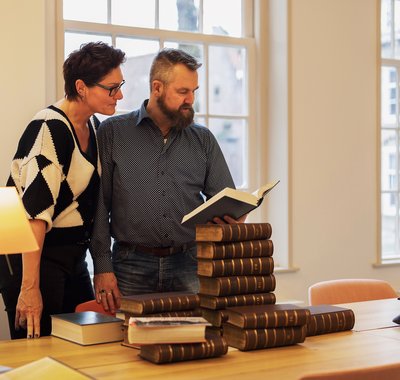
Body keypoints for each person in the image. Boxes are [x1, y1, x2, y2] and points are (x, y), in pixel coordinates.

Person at [90, 48, 246, 313]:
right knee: (128, 346)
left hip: (190, 264)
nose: (191, 100)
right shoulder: (113, 133)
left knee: (193, 345)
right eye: (183, 91)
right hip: (130, 265)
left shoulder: (203, 140)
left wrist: (235, 216)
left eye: (194, 91)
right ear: (157, 87)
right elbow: (98, 207)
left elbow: (226, 199)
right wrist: (102, 268)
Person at [0, 42, 126, 339]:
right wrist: (29, 288)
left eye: (120, 85)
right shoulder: (49, 129)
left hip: (71, 258)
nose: (119, 95)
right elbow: (35, 215)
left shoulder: (92, 126)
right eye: (111, 88)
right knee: (39, 354)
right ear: (81, 87)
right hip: (33, 259)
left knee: (78, 345)